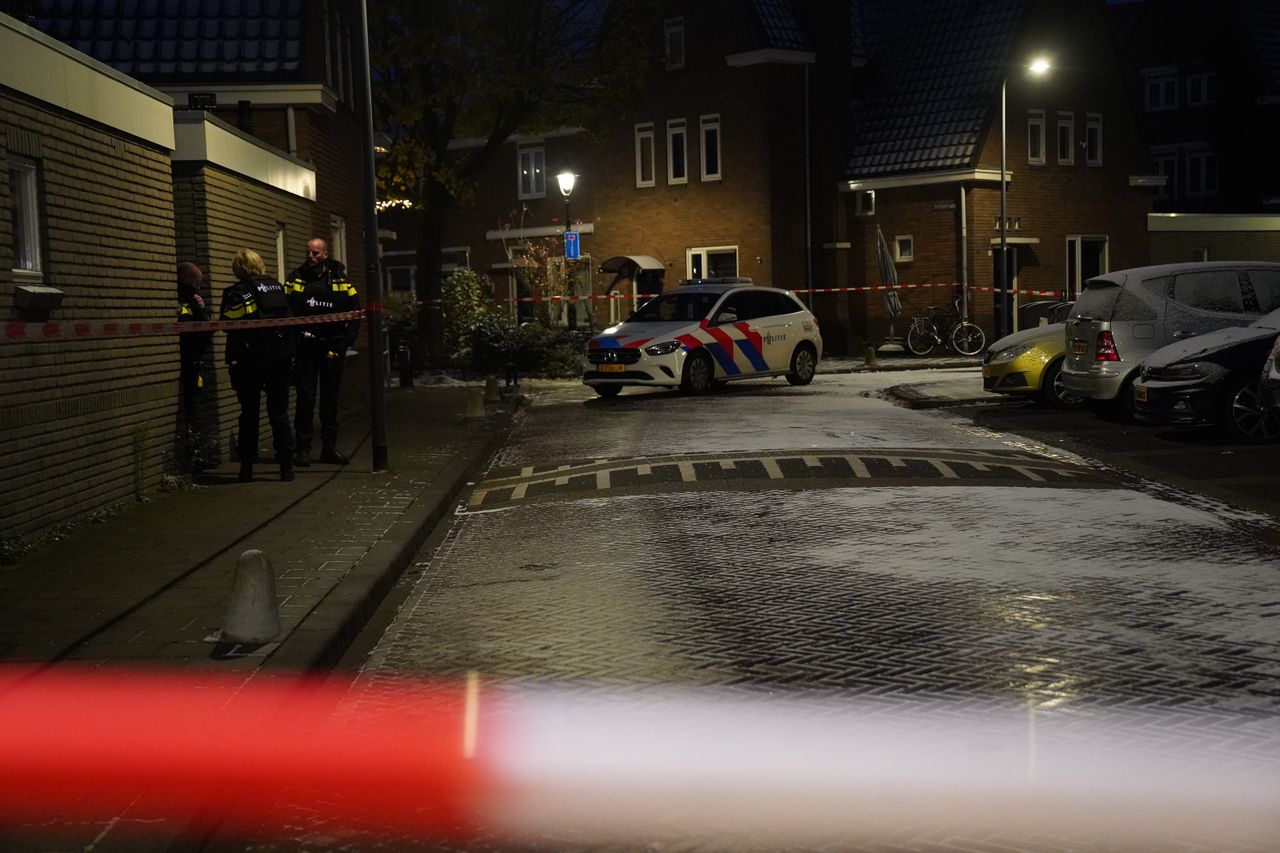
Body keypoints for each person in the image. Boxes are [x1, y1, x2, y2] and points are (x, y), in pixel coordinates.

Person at [220, 248, 296, 482]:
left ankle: (246, 467)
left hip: (249, 359)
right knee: (279, 413)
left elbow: (229, 322)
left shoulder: (238, 290)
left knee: (249, 413)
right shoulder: (276, 287)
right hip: (279, 358)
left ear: (239, 268)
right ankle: (286, 467)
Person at [285, 238, 361, 467]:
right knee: (305, 400)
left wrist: (347, 341)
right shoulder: (295, 278)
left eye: (315, 253)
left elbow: (355, 311)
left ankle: (329, 448)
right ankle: (303, 450)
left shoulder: (340, 280)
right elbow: (285, 309)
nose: (311, 257)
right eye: (308, 252)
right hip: (306, 348)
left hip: (332, 347)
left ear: (325, 254)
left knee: (330, 400)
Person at [177, 261, 216, 471]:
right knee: (193, 411)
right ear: (190, 281)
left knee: (197, 410)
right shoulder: (187, 298)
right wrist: (200, 309)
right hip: (189, 362)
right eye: (198, 283)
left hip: (193, 361)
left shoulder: (190, 298)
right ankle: (194, 459)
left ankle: (197, 455)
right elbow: (205, 328)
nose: (199, 288)